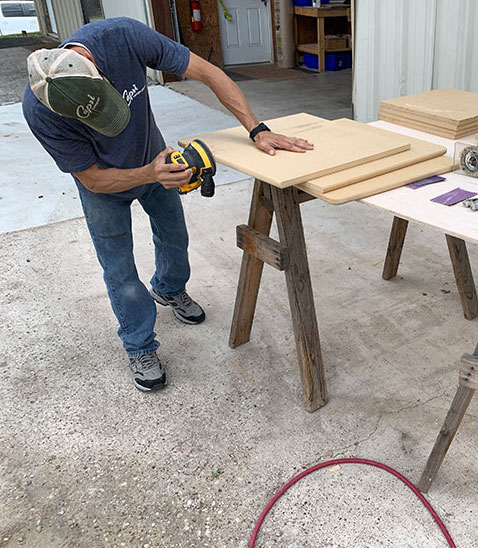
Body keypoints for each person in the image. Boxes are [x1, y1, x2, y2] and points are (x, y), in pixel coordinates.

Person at [22, 17, 313, 392]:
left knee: (175, 235)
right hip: (105, 186)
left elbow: (209, 72)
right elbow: (93, 178)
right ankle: (140, 345)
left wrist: (257, 129)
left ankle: (169, 287)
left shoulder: (123, 38)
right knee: (120, 272)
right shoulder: (40, 110)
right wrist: (148, 174)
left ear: (96, 69)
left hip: (151, 155)